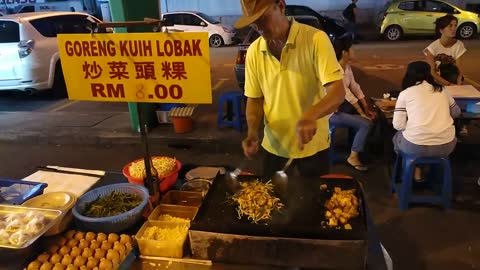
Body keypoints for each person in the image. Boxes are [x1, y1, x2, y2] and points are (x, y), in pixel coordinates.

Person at [234, 0, 345, 178]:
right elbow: (254, 100)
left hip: (312, 149)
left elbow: (338, 92)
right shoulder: (254, 51)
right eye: (253, 22)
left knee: (313, 203)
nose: (258, 27)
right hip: (273, 149)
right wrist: (253, 133)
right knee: (273, 202)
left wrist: (311, 115)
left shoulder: (315, 39)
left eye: (262, 18)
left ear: (280, 5)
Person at [392, 61, 460, 181]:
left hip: (415, 147)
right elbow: (456, 112)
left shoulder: (405, 93)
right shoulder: (442, 90)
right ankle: (432, 173)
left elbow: (398, 125)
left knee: (397, 138)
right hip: (446, 146)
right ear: (430, 74)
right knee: (427, 143)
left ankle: (413, 170)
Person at [331, 36, 376, 171]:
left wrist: (366, 107)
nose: (355, 51)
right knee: (366, 123)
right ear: (345, 52)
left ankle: (357, 148)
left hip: (341, 107)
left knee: (370, 117)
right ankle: (353, 156)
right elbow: (347, 94)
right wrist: (362, 113)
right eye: (352, 48)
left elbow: (355, 87)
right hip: (330, 112)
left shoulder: (347, 67)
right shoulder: (334, 69)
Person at [424, 14, 480, 89]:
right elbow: (432, 73)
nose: (454, 28)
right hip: (436, 82)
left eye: (455, 25)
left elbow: (459, 71)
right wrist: (449, 85)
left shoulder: (459, 45)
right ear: (441, 30)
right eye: (450, 26)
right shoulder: (431, 49)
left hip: (452, 79)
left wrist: (458, 86)